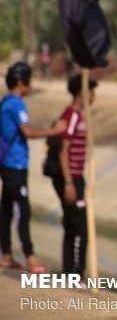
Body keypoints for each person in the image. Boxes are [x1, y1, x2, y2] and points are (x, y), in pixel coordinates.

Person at [0, 62, 66, 273]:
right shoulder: (17, 105)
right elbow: (27, 132)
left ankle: (7, 255)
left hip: (6, 164)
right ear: (21, 82)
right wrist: (53, 131)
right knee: (22, 210)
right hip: (15, 164)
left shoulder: (5, 102)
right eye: (29, 79)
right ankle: (30, 257)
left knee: (7, 210)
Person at [50, 74, 97, 279]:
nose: (94, 96)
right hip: (71, 179)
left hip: (76, 178)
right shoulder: (72, 116)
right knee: (81, 228)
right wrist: (69, 182)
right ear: (82, 92)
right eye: (92, 91)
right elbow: (63, 150)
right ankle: (76, 274)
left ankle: (69, 272)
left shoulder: (77, 116)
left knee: (70, 225)